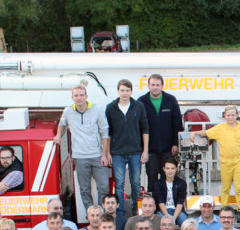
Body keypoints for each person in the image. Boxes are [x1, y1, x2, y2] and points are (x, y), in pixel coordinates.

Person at [56, 84, 110, 210]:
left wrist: (104, 154)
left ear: (86, 96)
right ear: (72, 98)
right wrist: (58, 135)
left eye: (81, 95)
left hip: (97, 155)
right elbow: (62, 123)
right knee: (84, 189)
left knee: (104, 187)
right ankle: (90, 214)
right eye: (76, 95)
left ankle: (103, 214)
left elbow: (105, 132)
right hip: (79, 157)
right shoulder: (68, 111)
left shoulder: (97, 110)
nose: (79, 98)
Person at [104, 79, 149, 218]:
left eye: (127, 90)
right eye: (122, 90)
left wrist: (145, 150)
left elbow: (145, 129)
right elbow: (108, 132)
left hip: (135, 151)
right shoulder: (110, 108)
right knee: (119, 185)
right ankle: (120, 213)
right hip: (117, 152)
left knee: (136, 183)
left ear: (131, 91)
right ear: (118, 91)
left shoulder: (139, 106)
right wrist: (107, 153)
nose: (125, 93)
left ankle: (137, 212)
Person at [191, 106, 240, 208]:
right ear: (224, 116)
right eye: (228, 115)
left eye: (233, 115)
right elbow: (205, 133)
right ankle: (224, 210)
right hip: (225, 161)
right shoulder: (220, 128)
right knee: (225, 188)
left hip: (239, 160)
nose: (230, 117)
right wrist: (194, 132)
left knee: (239, 188)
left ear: (237, 115)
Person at [140, 74, 183, 196]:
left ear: (162, 86)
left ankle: (168, 204)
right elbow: (139, 127)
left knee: (168, 178)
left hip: (168, 148)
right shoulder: (141, 102)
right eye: (152, 85)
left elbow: (177, 123)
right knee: (152, 177)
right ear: (148, 86)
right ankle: (152, 207)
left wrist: (176, 143)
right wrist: (143, 148)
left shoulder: (171, 100)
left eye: (157, 85)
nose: (155, 87)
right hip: (151, 149)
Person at [152, 159, 187, 227]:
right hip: (162, 211)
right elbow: (160, 202)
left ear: (176, 169)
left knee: (187, 224)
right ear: (164, 169)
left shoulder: (182, 183)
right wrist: (168, 217)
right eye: (167, 168)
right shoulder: (158, 183)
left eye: (172, 168)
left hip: (177, 211)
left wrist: (173, 218)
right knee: (159, 223)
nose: (170, 171)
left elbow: (180, 203)